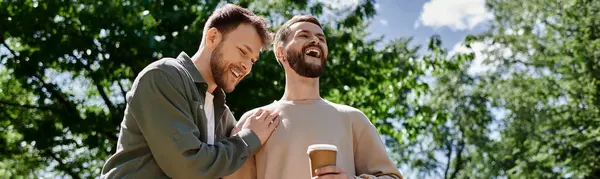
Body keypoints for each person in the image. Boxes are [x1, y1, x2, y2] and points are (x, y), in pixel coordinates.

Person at [100, 4, 281, 179]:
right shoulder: (164, 76)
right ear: (212, 38)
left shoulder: (225, 117)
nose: (247, 67)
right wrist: (248, 138)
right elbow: (188, 168)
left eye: (253, 61)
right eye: (243, 51)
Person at [224, 15, 403, 179]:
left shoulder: (352, 119)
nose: (315, 41)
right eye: (304, 35)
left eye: (321, 38)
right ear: (280, 52)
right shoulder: (253, 121)